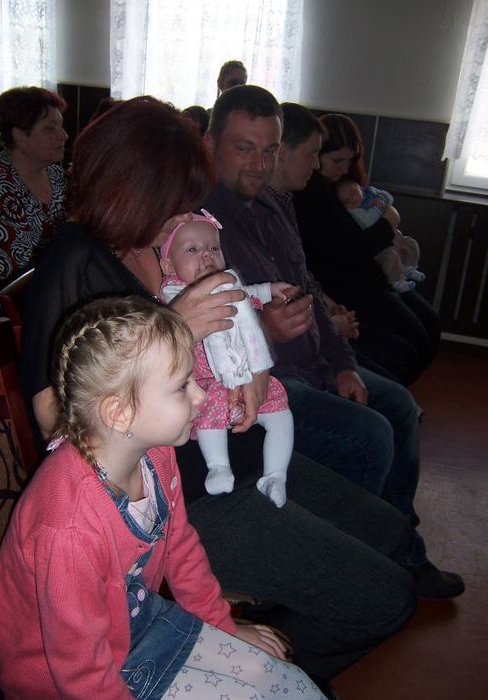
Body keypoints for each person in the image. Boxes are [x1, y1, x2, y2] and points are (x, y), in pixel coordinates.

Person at [19, 95, 419, 689]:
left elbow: (226, 331)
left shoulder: (160, 243)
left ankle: (245, 645)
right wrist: (174, 331)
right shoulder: (75, 259)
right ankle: (233, 671)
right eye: (174, 197)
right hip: (183, 492)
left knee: (391, 534)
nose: (186, 211)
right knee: (386, 599)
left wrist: (250, 359)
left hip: (239, 447)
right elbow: (54, 420)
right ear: (130, 187)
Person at [0, 295, 324, 699]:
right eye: (182, 386)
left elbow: (182, 551)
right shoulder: (68, 528)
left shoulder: (156, 454)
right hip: (66, 680)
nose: (201, 396)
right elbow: (79, 672)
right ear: (119, 413)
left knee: (285, 682)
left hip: (140, 625)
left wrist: (224, 627)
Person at [202, 86, 464, 601]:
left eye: (270, 150)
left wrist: (343, 362)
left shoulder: (273, 203)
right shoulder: (200, 224)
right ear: (211, 145)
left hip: (315, 362)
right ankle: (355, 567)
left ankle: (399, 546)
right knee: (369, 434)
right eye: (244, 149)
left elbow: (308, 288)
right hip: (266, 384)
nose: (259, 165)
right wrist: (267, 333)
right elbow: (204, 339)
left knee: (398, 405)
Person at [293, 113, 441, 387]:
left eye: (350, 161)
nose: (344, 168)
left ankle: (396, 394)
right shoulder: (311, 194)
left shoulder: (344, 185)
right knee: (412, 344)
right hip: (353, 288)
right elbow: (356, 249)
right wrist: (389, 221)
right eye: (337, 160)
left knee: (430, 325)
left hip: (375, 277)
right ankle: (391, 395)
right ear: (316, 155)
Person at [160, 209, 294, 506]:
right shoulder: (174, 295)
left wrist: (270, 290)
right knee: (210, 414)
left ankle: (275, 475)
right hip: (209, 384)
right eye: (192, 250)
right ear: (168, 265)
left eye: (214, 248)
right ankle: (218, 467)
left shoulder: (229, 284)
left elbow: (247, 293)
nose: (206, 255)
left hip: (247, 377)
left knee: (281, 413)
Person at [0, 87, 68, 319]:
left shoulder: (57, 177)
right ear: (20, 135)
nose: (64, 136)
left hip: (48, 298)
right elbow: (15, 274)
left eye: (61, 126)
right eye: (50, 128)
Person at [336, 179, 425, 294]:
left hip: (395, 234)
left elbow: (389, 198)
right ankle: (397, 281)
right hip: (382, 246)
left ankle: (410, 267)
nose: (352, 199)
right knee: (390, 257)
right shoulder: (355, 212)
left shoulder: (370, 193)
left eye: (354, 192)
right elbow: (369, 221)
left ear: (360, 188)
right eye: (346, 201)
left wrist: (381, 200)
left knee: (411, 243)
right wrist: (378, 207)